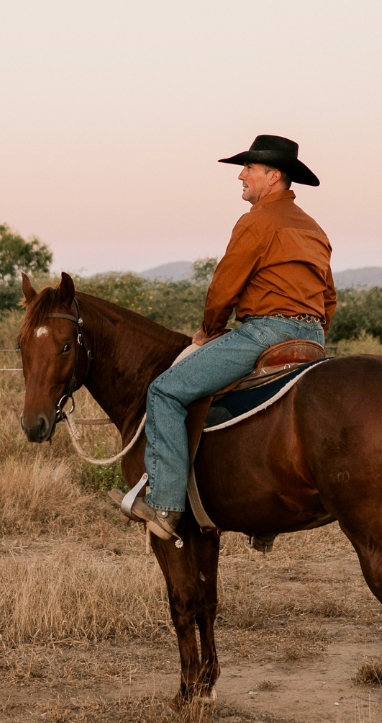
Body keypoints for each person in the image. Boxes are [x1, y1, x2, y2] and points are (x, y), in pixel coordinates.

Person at [123, 134, 335, 541]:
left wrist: (210, 329)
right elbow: (329, 297)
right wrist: (312, 330)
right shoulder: (314, 229)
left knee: (165, 391)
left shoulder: (256, 220)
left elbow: (224, 286)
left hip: (266, 332)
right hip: (313, 337)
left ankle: (165, 506)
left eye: (249, 169)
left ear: (273, 176)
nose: (241, 176)